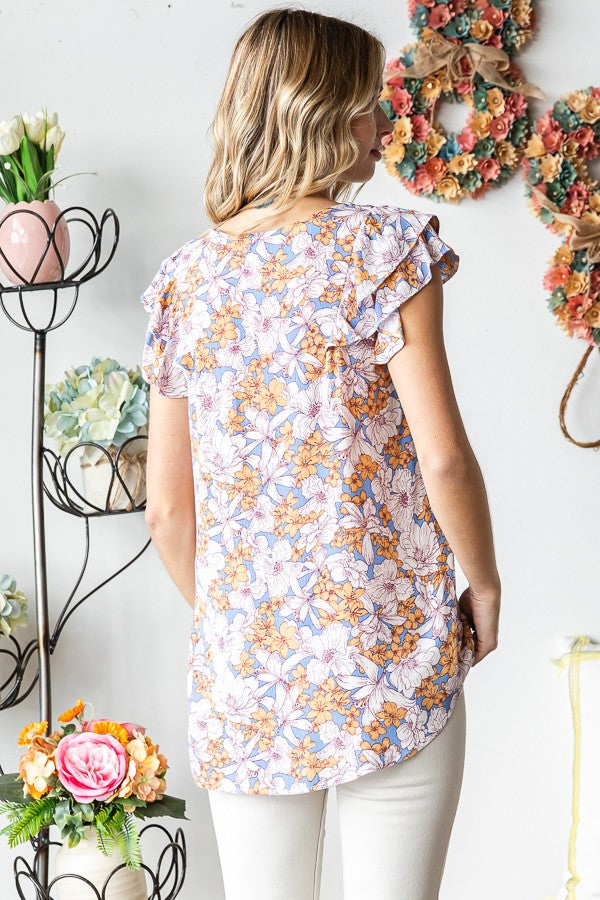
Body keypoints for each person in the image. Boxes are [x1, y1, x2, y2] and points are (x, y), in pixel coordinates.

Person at [139, 7, 501, 899]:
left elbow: (168, 511)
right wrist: (484, 586)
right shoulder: (384, 249)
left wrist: (245, 626)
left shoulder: (186, 280)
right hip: (389, 651)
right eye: (371, 103)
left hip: (247, 677)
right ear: (322, 111)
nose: (384, 124)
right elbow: (444, 458)